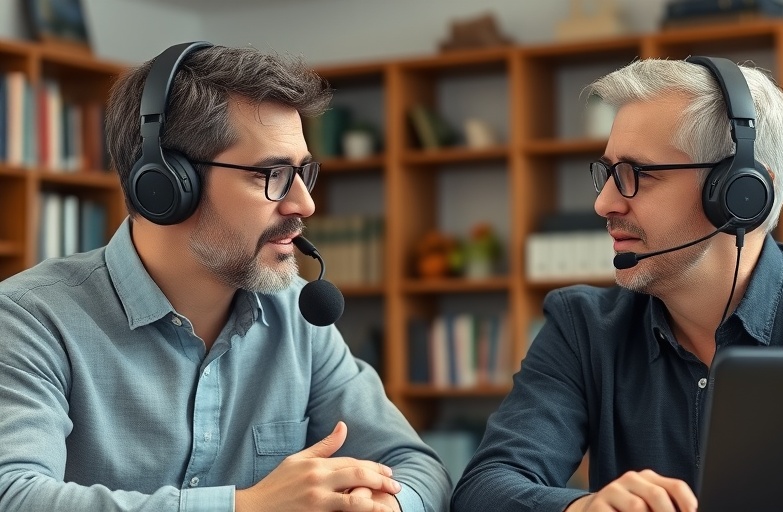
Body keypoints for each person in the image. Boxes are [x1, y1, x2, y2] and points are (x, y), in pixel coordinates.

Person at [0, 42, 450, 512]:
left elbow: (416, 467)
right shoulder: (28, 319)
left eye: (303, 172)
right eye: (272, 173)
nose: (305, 204)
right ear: (167, 185)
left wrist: (387, 506)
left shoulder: (297, 318)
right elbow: (13, 495)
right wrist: (246, 506)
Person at [451, 57, 783, 512]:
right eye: (607, 173)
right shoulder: (582, 327)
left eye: (637, 175)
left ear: (743, 195)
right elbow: (485, 487)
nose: (604, 203)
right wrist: (579, 509)